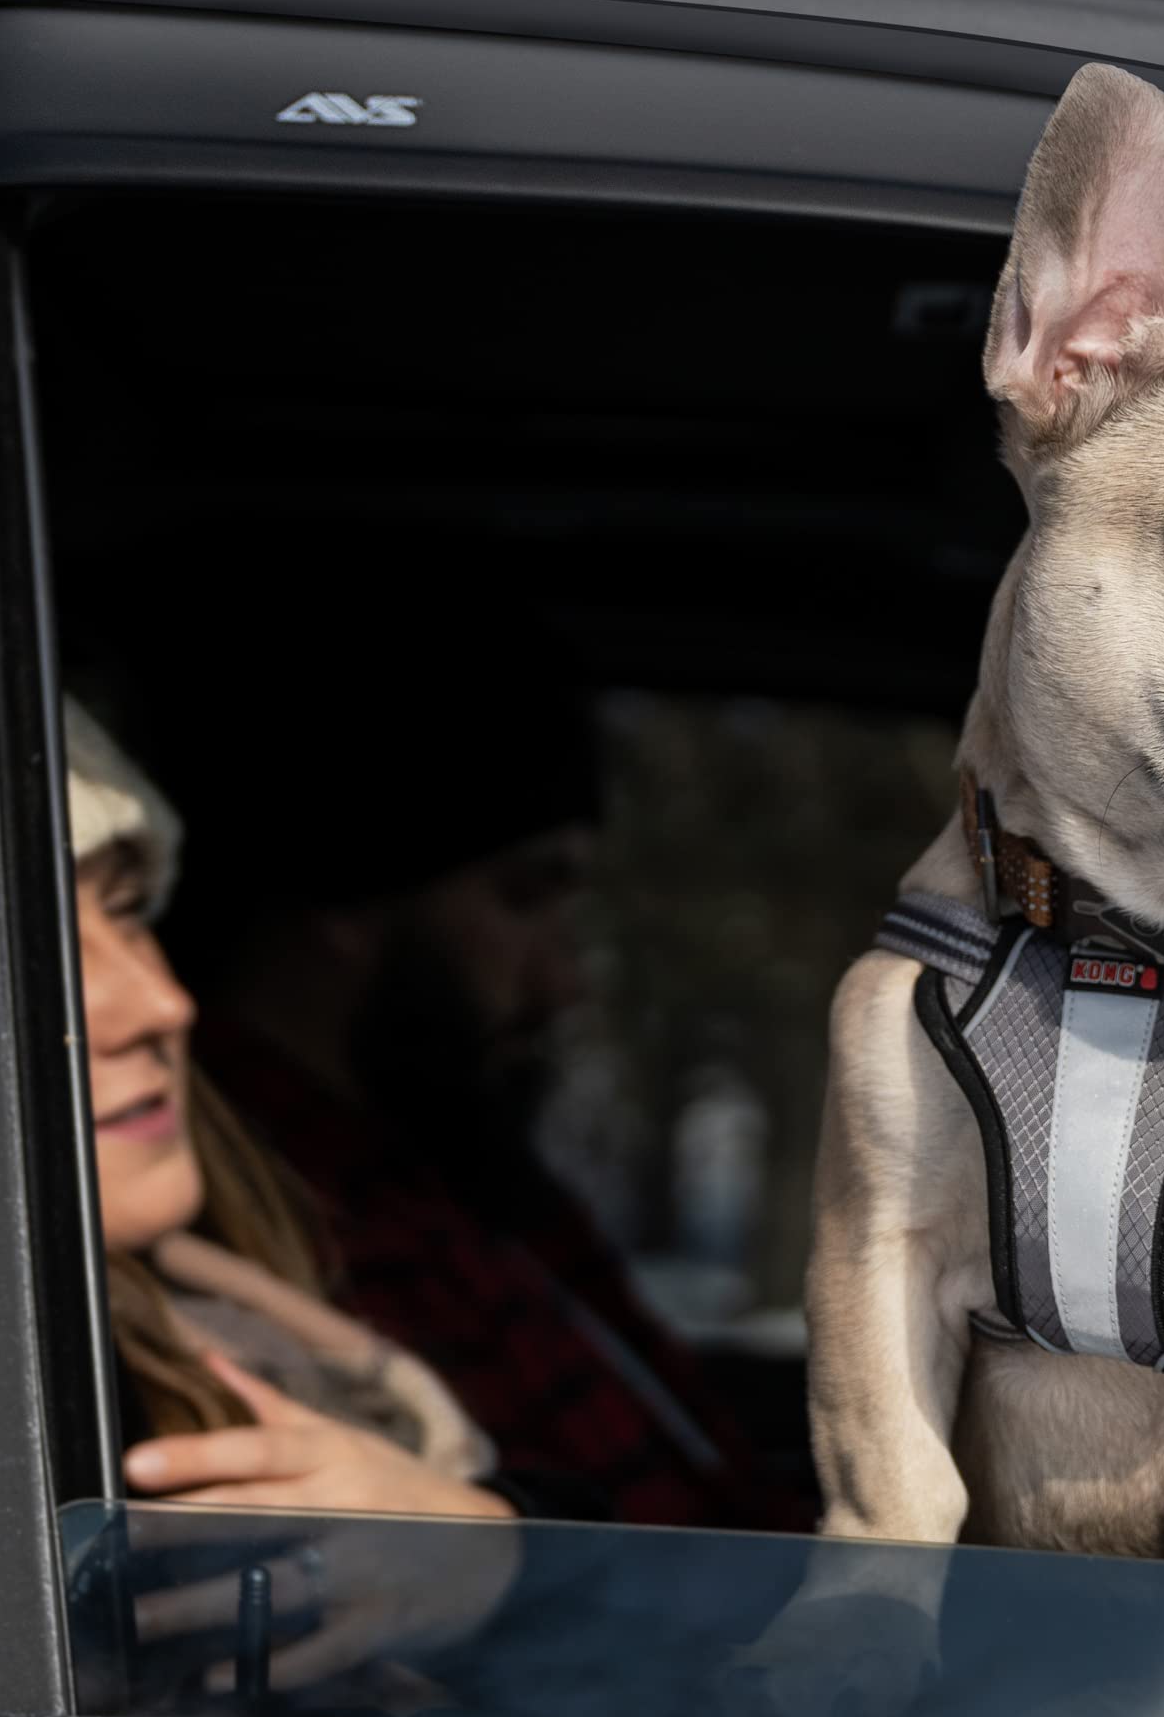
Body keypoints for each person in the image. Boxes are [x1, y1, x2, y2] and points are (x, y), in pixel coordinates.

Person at [142, 610, 792, 1530]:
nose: (563, 983)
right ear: (352, 889)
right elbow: (483, 1575)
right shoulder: (268, 1217)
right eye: (523, 897)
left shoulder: (456, 1165)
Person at [70, 700, 511, 1523]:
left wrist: (488, 1546)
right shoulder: (64, 1418)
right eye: (43, 937)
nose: (162, 1002)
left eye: (129, 910)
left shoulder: (246, 1294)